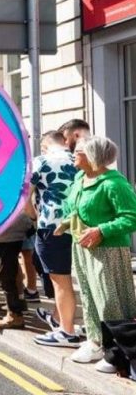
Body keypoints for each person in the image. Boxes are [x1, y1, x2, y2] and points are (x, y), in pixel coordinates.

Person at [58, 136, 136, 367]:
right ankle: (95, 341)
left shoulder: (114, 183)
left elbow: (131, 217)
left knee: (109, 300)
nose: (74, 154)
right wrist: (66, 223)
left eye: (79, 151)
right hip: (82, 247)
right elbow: (75, 208)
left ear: (94, 156)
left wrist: (102, 230)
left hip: (108, 250)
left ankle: (119, 351)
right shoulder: (80, 178)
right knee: (89, 296)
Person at [26, 131, 82, 347]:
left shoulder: (41, 161)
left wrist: (34, 216)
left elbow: (25, 197)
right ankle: (59, 320)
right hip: (80, 225)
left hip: (52, 226)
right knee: (69, 279)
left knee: (60, 280)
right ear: (64, 142)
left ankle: (67, 332)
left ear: (45, 145)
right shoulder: (78, 159)